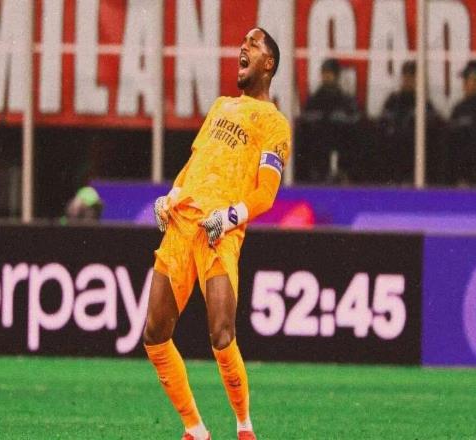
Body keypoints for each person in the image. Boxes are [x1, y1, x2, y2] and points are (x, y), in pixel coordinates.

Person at [143, 28, 290, 440]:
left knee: (222, 335)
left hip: (218, 230)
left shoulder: (275, 123)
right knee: (155, 334)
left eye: (253, 44)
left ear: (268, 63)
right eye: (243, 42)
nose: (243, 47)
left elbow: (266, 194)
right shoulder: (221, 106)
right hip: (181, 223)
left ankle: (244, 427)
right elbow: (195, 164)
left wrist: (230, 217)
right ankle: (195, 429)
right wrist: (172, 195)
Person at [295, 58, 361, 183]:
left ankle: (344, 174)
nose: (326, 76)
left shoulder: (345, 100)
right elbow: (306, 118)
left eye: (329, 73)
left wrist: (338, 121)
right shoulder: (315, 99)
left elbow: (354, 120)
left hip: (340, 142)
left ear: (336, 75)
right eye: (324, 73)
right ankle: (315, 175)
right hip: (319, 144)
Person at [377, 61, 443, 185]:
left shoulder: (424, 102)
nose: (408, 80)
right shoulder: (392, 101)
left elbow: (433, 125)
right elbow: (382, 124)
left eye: (411, 76)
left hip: (414, 152)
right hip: (393, 150)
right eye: (405, 76)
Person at [446, 61, 476, 186]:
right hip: (462, 179)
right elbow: (450, 146)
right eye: (467, 80)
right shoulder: (458, 110)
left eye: (475, 80)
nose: (470, 84)